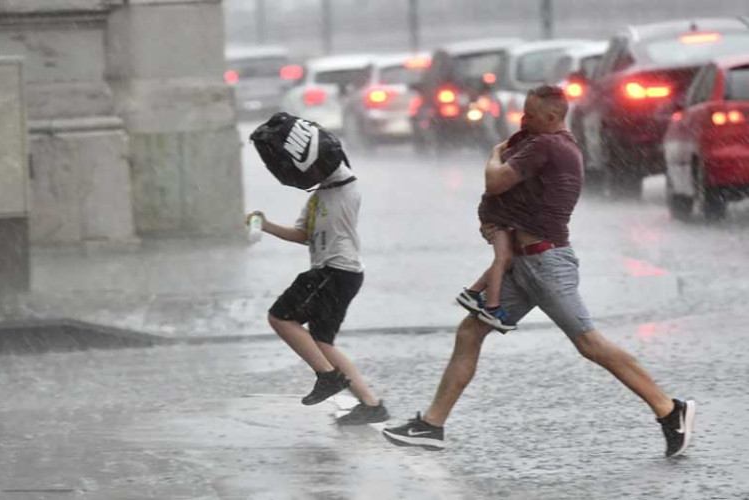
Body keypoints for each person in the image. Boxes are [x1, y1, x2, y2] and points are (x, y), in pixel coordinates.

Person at [382, 85, 695, 457]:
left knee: (589, 343)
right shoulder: (552, 144)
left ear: (551, 117)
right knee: (469, 332)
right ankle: (432, 425)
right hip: (527, 264)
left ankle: (669, 409)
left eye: (529, 115)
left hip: (547, 264)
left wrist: (493, 154)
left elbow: (495, 181)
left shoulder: (549, 145)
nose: (522, 119)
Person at [248, 162, 389, 425]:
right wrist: (266, 225)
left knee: (280, 317)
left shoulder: (344, 186)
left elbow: (333, 164)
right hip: (338, 272)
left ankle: (327, 376)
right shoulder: (317, 196)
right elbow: (303, 234)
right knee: (322, 343)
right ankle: (371, 405)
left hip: (335, 270)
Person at [456, 128, 533, 331]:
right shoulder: (514, 162)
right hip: (498, 217)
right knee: (503, 258)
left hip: (499, 215)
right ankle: (491, 306)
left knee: (507, 259)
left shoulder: (513, 158)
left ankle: (473, 292)